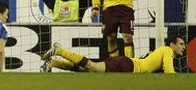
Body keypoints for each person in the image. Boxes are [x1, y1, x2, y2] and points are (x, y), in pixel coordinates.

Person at [41, 35, 186, 73]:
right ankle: (59, 50)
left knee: (84, 69)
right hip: (128, 66)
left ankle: (53, 63)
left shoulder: (160, 51)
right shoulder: (167, 51)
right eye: (181, 44)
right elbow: (170, 72)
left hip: (126, 64)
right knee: (92, 67)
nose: (183, 48)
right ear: (172, 45)